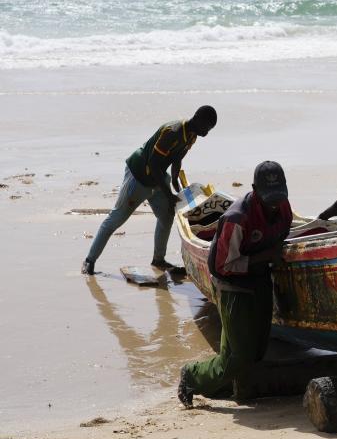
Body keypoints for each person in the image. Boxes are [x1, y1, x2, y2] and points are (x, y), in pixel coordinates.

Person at [177, 161, 293, 407]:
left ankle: (224, 385)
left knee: (258, 349)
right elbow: (223, 266)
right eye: (269, 198)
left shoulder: (283, 207)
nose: (274, 204)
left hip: (260, 281)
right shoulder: (236, 219)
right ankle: (192, 376)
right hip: (233, 287)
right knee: (237, 357)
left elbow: (282, 241)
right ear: (254, 189)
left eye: (278, 197)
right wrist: (265, 256)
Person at [81, 105, 218, 275]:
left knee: (166, 217)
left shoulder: (192, 136)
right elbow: (153, 164)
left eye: (210, 130)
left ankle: (158, 260)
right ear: (197, 118)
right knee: (116, 219)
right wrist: (169, 194)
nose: (206, 133)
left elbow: (177, 158)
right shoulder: (173, 132)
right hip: (139, 176)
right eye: (206, 128)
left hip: (158, 178)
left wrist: (174, 179)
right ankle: (89, 261)